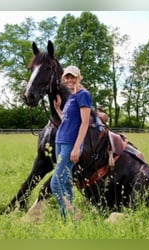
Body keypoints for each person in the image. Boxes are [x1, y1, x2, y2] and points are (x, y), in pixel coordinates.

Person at [50, 65, 92, 221]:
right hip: (60, 141)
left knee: (55, 184)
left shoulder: (83, 95)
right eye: (67, 77)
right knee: (65, 182)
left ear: (79, 77)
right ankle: (66, 220)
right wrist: (58, 109)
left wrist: (76, 147)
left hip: (70, 144)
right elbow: (68, 121)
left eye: (72, 77)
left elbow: (85, 123)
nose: (69, 80)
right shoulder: (71, 97)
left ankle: (73, 214)